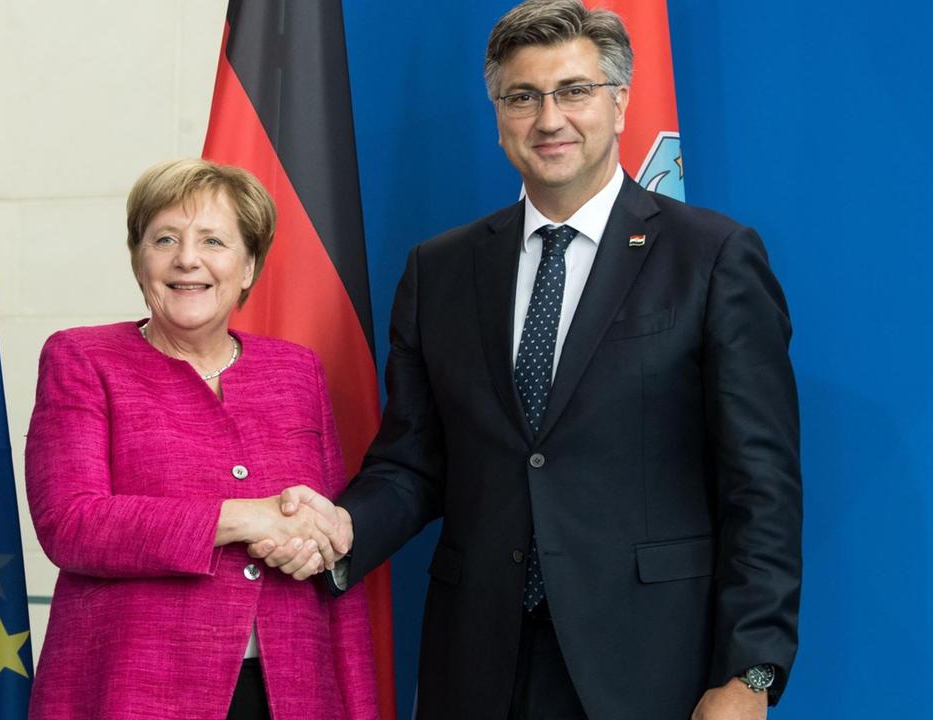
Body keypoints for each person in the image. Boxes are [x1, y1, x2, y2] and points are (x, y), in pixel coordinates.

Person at [255, 1, 801, 718]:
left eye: (574, 91)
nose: (549, 119)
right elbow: (413, 463)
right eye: (523, 96)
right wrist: (340, 528)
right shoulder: (440, 270)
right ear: (498, 111)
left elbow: (760, 489)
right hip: (479, 664)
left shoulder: (712, 258)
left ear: (620, 102)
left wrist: (748, 676)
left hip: (651, 665)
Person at [25, 158, 376, 720]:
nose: (187, 259)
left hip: (293, 689)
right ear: (139, 261)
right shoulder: (83, 359)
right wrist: (241, 518)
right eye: (164, 238)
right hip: (134, 689)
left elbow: (327, 537)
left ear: (248, 266)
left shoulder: (296, 371)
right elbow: (72, 525)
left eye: (214, 240)